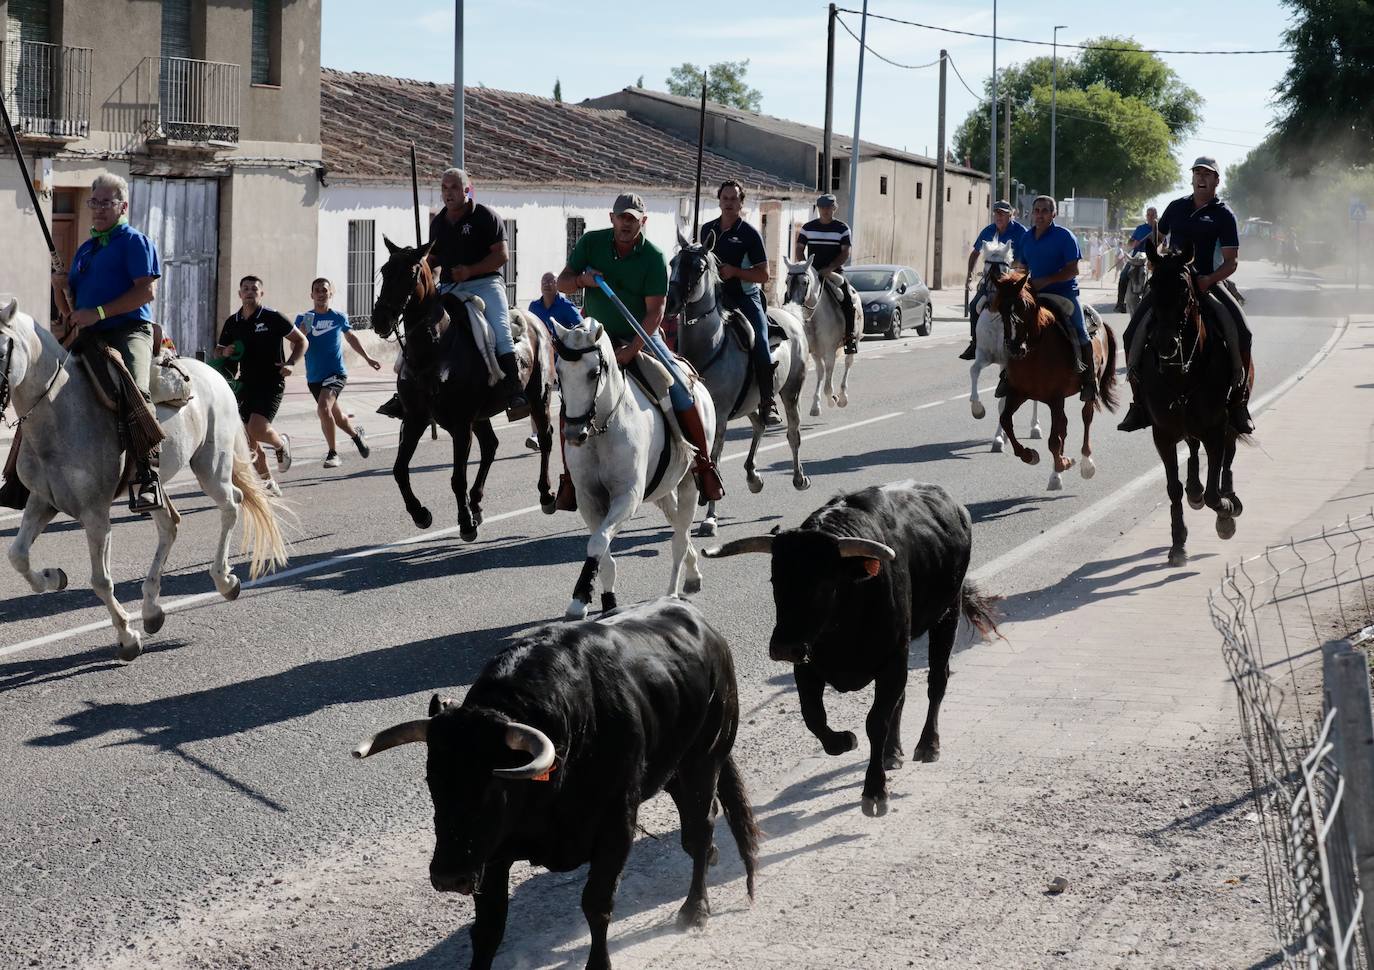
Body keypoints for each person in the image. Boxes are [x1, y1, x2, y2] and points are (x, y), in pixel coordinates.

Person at [557, 191, 726, 510]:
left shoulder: (653, 256)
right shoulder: (591, 243)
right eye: (621, 217)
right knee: (570, 396)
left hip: (641, 336)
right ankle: (568, 478)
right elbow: (563, 282)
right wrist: (583, 280)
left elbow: (656, 312)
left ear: (642, 222)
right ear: (612, 218)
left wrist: (632, 350)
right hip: (595, 336)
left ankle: (703, 466)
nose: (625, 223)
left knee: (679, 388)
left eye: (632, 219)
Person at [11, 173, 165, 512]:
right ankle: (21, 477)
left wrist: (98, 312)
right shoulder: (86, 249)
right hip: (90, 335)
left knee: (135, 389)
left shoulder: (134, 241)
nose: (97, 209)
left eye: (106, 202)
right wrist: (59, 288)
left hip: (129, 331)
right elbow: (72, 312)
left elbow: (145, 290)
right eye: (93, 202)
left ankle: (146, 474)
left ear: (123, 206)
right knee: (42, 391)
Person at [1117, 157, 1253, 434]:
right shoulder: (1176, 207)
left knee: (1242, 331)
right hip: (1172, 283)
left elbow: (1231, 262)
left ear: (1217, 181)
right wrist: (1155, 256)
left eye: (1208, 174)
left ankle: (1238, 404)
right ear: (1192, 178)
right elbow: (1158, 241)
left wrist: (1208, 279)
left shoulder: (1223, 214)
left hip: (1207, 282)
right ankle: (1139, 403)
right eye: (1197, 173)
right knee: (1132, 333)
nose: (1201, 177)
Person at [427, 167, 527, 416]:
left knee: (501, 331)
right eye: (444, 188)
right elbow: (434, 259)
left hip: (485, 284)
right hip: (450, 287)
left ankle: (514, 391)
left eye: (453, 187)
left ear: (466, 190)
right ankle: (410, 388)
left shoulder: (485, 216)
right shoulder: (438, 222)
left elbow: (502, 256)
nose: (448, 193)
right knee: (422, 328)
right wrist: (419, 264)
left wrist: (470, 271)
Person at [216, 276, 306, 496]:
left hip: (271, 381)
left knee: (256, 428)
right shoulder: (233, 322)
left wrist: (291, 363)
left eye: (254, 289)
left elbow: (302, 340)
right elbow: (218, 351)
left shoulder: (273, 317)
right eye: (245, 289)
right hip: (245, 382)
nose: (249, 292)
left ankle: (280, 444)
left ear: (261, 294)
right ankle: (268, 483)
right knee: (246, 440)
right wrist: (224, 352)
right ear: (239, 294)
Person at [1007, 195, 1096, 402]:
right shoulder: (1026, 238)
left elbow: (1073, 269)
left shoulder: (1065, 237)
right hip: (1035, 293)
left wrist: (1045, 281)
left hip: (1064, 294)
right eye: (1037, 210)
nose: (1040, 214)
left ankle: (1089, 380)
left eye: (1045, 211)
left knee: (1081, 333)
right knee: (1013, 324)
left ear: (1053, 214)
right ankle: (1008, 375)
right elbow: (1023, 266)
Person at [700, 179, 775, 421]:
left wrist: (735, 271)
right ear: (719, 201)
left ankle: (767, 400)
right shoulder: (706, 229)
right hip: (714, 297)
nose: (729, 203)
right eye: (725, 198)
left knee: (761, 342)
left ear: (741, 203)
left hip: (744, 297)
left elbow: (764, 275)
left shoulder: (750, 235)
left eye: (734, 199)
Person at [295, 277, 380, 469]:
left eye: (324, 290)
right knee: (336, 416)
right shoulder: (304, 319)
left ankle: (333, 453)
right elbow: (295, 346)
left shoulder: (338, 317)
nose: (321, 294)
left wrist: (368, 358)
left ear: (330, 294)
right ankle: (356, 436)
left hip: (336, 373)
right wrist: (301, 334)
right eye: (317, 290)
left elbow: (351, 338)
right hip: (314, 376)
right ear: (312, 295)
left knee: (323, 409)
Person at [961, 200, 1029, 359]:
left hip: (1014, 280)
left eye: (1003, 213)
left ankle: (1026, 340)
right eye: (997, 213)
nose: (999, 216)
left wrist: (1018, 266)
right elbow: (975, 253)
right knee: (973, 305)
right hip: (992, 281)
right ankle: (974, 342)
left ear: (1010, 215)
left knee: (1025, 306)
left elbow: (1030, 254)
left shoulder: (1022, 232)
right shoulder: (988, 231)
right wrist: (970, 274)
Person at [795, 193, 860, 355]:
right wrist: (805, 268)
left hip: (834, 272)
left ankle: (849, 337)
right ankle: (794, 332)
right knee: (794, 293)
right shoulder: (807, 228)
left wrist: (830, 268)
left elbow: (846, 253)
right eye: (822, 207)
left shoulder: (843, 228)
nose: (825, 211)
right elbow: (799, 249)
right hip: (812, 272)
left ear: (834, 208)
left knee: (847, 297)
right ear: (818, 208)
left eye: (828, 208)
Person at [1114, 207, 1158, 312]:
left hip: (1152, 258)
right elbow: (1130, 243)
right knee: (1124, 275)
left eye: (1152, 215)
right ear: (1146, 216)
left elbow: (1163, 246)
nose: (1150, 217)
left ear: (1156, 216)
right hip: (1136, 258)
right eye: (1148, 215)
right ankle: (1120, 303)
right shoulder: (1140, 228)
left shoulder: (1159, 229)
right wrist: (1134, 243)